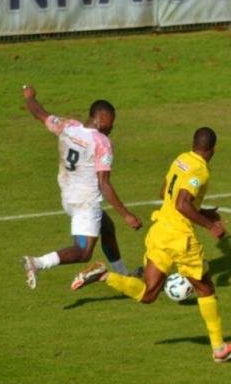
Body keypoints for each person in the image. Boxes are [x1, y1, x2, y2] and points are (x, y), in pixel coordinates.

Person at [73, 127, 231, 363]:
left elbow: (165, 192)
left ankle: (105, 275)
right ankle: (219, 348)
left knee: (148, 293)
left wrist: (201, 211)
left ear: (194, 143)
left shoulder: (181, 159)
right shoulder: (199, 170)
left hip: (160, 231)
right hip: (179, 239)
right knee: (205, 288)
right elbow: (182, 204)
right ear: (213, 149)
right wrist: (210, 225)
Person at [20, 85, 142, 289]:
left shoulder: (68, 127)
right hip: (86, 202)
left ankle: (123, 274)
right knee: (84, 251)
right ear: (101, 118)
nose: (112, 127)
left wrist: (30, 97)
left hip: (68, 197)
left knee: (107, 228)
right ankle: (38, 262)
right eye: (112, 122)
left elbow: (38, 112)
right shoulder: (102, 142)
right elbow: (104, 183)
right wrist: (126, 215)